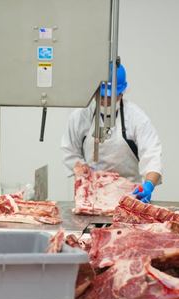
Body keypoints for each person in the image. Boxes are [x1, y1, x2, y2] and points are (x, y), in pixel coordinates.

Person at [60, 62, 163, 203]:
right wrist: (86, 174)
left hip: (129, 196)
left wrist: (149, 185)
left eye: (111, 97)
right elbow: (70, 151)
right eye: (101, 96)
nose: (105, 101)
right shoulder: (80, 116)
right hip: (91, 195)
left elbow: (152, 155)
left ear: (121, 93)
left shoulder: (136, 117)